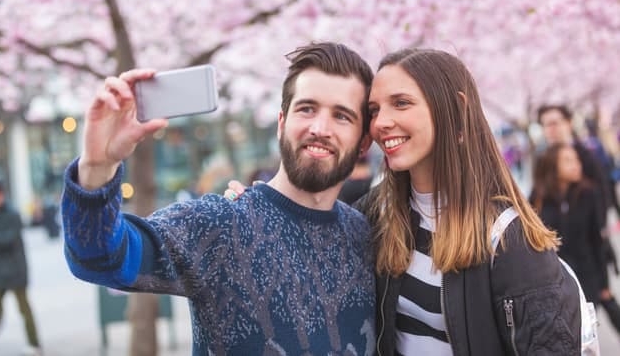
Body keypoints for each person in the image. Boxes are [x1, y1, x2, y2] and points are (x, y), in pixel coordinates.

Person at [228, 48, 583, 355]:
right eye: (374, 110)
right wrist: (258, 208)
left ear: (456, 109)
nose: (382, 123)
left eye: (401, 103)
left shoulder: (507, 238)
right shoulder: (375, 216)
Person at [60, 42, 377, 355]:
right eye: (307, 108)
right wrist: (97, 166)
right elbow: (99, 258)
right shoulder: (220, 224)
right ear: (282, 124)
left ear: (363, 143)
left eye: (342, 116)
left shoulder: (366, 235)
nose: (320, 128)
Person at [530, 144, 607, 306]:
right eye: (567, 160)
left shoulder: (588, 194)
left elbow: (597, 240)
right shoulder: (538, 198)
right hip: (555, 281)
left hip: (587, 277)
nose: (576, 164)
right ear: (553, 165)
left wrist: (604, 283)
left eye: (576, 160)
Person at [0, 179, 41, 356]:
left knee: (24, 309)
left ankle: (34, 343)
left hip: (15, 272)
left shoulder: (12, 214)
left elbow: (8, 239)